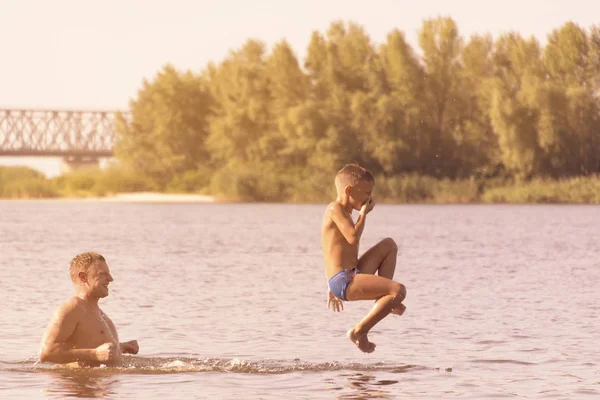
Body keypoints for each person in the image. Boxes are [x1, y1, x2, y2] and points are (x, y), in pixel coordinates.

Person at [321, 163, 407, 353]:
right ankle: (359, 331)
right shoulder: (334, 208)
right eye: (366, 192)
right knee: (399, 290)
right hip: (343, 280)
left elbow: (333, 249)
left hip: (351, 274)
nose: (370, 197)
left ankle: (386, 300)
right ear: (349, 190)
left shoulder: (345, 213)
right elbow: (352, 237)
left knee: (389, 245)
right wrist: (363, 215)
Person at [39, 252, 139, 367]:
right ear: (83, 277)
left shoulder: (100, 314)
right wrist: (94, 354)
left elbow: (89, 346)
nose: (110, 279)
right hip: (80, 384)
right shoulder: (72, 308)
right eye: (103, 274)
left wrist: (120, 348)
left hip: (100, 383)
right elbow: (46, 353)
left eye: (109, 274)